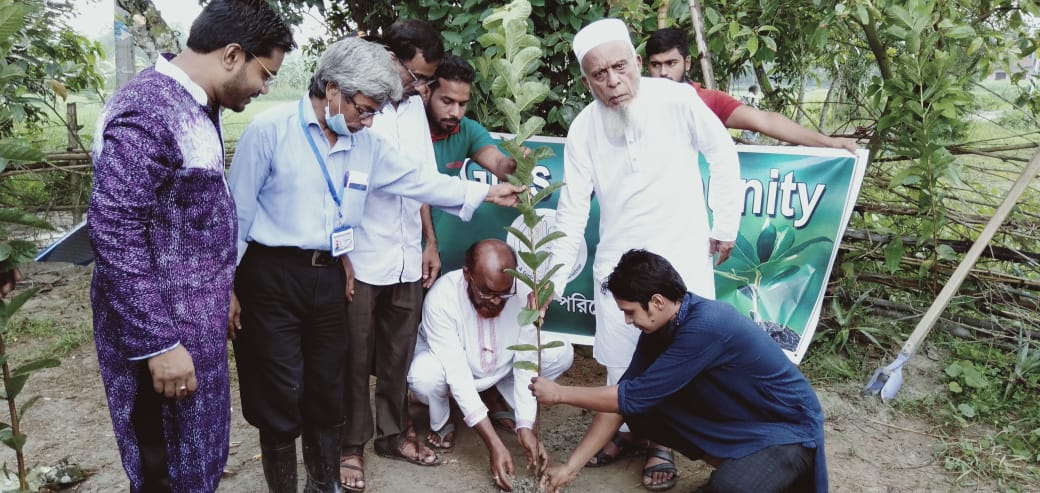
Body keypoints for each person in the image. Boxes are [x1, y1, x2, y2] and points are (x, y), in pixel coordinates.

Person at [227, 37, 522, 493]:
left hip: (330, 274)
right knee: (279, 393)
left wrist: (484, 192)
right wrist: (226, 287)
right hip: (271, 276)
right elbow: (237, 216)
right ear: (333, 90)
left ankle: (323, 486)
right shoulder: (270, 132)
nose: (367, 123)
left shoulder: (363, 143)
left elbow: (419, 180)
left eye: (373, 113)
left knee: (328, 388)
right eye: (363, 110)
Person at [87, 1, 294, 491]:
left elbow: (189, 220)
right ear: (231, 55)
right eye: (265, 73)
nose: (265, 87)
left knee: (196, 464)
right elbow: (114, 229)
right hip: (159, 343)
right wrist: (158, 342)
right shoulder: (148, 111)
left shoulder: (197, 107)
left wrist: (223, 292)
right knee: (163, 470)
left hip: (193, 330)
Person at [545, 18, 744, 491]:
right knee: (619, 351)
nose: (613, 83)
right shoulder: (583, 128)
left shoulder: (677, 99)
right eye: (599, 74)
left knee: (678, 351)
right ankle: (629, 431)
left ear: (637, 61)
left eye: (620, 67)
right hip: (618, 260)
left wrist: (725, 223)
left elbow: (722, 153)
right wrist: (550, 281)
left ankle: (662, 443)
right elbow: (572, 209)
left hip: (680, 252)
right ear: (586, 79)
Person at [531, 249, 827, 493]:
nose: (627, 320)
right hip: (745, 420)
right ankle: (738, 466)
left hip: (787, 431)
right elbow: (622, 404)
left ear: (657, 302)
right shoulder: (661, 327)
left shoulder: (707, 326)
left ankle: (751, 473)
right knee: (642, 411)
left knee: (729, 490)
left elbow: (627, 397)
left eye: (629, 311)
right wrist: (570, 468)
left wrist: (559, 393)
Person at [339, 19, 447, 492]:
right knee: (354, 351)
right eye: (416, 76)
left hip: (406, 250)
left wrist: (429, 241)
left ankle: (392, 434)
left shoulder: (412, 110)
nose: (420, 87)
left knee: (398, 350)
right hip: (362, 253)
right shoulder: (359, 106)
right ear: (391, 58)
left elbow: (422, 178)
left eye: (426, 81)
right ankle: (349, 445)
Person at [406, 239, 573, 491]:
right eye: (486, 293)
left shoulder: (523, 292)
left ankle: (493, 396)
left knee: (561, 352)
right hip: (453, 369)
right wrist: (494, 444)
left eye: (503, 294)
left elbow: (526, 360)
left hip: (500, 367)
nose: (495, 302)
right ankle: (444, 418)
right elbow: (457, 373)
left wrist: (525, 426)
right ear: (467, 275)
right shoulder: (441, 297)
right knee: (424, 376)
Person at [645, 27, 857, 153]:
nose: (663, 72)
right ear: (647, 66)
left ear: (687, 63)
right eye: (656, 65)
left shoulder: (709, 101)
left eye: (671, 63)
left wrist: (828, 143)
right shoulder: (637, 103)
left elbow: (765, 121)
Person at [425, 54, 517, 179]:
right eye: (447, 102)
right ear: (426, 93)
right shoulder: (403, 127)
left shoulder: (468, 130)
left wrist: (513, 165)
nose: (456, 113)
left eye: (462, 104)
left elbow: (498, 162)